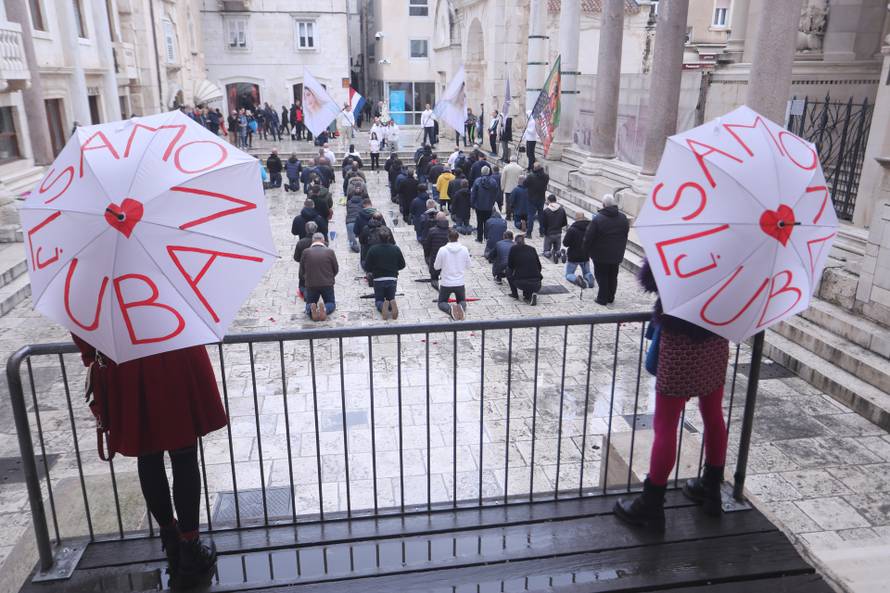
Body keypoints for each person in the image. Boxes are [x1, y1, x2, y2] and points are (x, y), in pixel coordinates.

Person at [72, 335, 223, 589]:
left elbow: (83, 327)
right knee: (184, 455)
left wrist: (92, 354)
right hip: (175, 352)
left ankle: (171, 539)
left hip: (127, 363)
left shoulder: (102, 292)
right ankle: (190, 548)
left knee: (148, 455)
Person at [616, 260, 730, 531]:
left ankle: (652, 504)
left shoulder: (682, 244)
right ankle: (711, 490)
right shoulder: (734, 250)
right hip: (717, 335)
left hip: (680, 342)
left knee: (665, 425)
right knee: (713, 416)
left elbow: (648, 280)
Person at [583, 194, 629, 305]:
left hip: (601, 254)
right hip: (617, 253)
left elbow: (589, 237)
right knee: (613, 275)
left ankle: (602, 298)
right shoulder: (623, 218)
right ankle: (610, 297)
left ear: (603, 205)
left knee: (601, 275)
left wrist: (585, 250)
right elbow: (625, 233)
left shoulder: (598, 219)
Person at [364, 228, 406, 319]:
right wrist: (394, 269)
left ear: (378, 238)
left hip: (378, 279)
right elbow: (402, 265)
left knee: (379, 300)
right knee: (391, 298)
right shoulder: (396, 249)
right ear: (389, 237)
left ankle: (382, 306)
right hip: (392, 279)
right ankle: (391, 305)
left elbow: (367, 267)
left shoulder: (372, 250)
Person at [433, 229, 471, 320]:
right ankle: (460, 308)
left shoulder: (442, 250)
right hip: (459, 282)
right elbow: (469, 265)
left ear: (448, 238)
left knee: (441, 302)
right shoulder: (464, 249)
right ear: (458, 237)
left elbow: (436, 266)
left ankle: (450, 309)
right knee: (462, 300)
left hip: (446, 282)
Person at [300, 233, 339, 321]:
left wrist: (307, 278)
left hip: (311, 284)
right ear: (323, 240)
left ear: (313, 241)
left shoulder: (306, 252)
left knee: (309, 303)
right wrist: (330, 277)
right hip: (327, 283)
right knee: (331, 303)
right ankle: (325, 309)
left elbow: (302, 270)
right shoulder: (330, 252)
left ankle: (311, 308)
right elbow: (336, 269)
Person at [506, 234, 542, 305]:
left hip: (521, 282)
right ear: (524, 241)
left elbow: (510, 265)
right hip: (537, 282)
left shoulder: (513, 249)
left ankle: (514, 294)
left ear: (515, 242)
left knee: (508, 270)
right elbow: (539, 266)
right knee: (527, 273)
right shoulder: (532, 249)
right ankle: (530, 295)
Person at [470, 165, 501, 243]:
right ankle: (487, 237)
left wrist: (472, 203)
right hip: (489, 205)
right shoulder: (493, 181)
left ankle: (479, 238)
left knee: (479, 222)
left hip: (479, 205)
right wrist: (493, 201)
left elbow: (473, 193)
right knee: (488, 222)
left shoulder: (477, 181)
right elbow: (496, 193)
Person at [563, 211, 594, 289]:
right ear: (583, 217)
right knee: (587, 272)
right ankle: (589, 277)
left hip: (574, 256)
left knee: (569, 274)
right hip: (585, 255)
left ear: (575, 218)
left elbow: (565, 243)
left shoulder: (572, 229)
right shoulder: (590, 228)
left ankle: (576, 279)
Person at [293, 221, 320, 299]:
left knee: (303, 285)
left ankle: (307, 295)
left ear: (306, 229)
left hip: (304, 271)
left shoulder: (301, 243)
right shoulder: (321, 243)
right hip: (317, 271)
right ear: (316, 230)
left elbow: (296, 258)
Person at [423, 211, 451, 289]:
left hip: (435, 258)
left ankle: (436, 285)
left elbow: (427, 246)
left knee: (434, 277)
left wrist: (427, 257)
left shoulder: (432, 231)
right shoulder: (450, 231)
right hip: (447, 259)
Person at [540, 194, 568, 262]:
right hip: (558, 233)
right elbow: (564, 222)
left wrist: (544, 232)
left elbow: (543, 224)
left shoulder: (546, 211)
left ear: (548, 201)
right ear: (556, 200)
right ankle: (559, 253)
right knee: (557, 249)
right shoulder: (562, 209)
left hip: (549, 233)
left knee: (546, 251)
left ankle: (550, 254)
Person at [524, 163, 549, 236]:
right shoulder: (546, 176)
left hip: (531, 198)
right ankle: (542, 232)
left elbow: (525, 184)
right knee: (541, 215)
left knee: (531, 215)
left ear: (535, 168)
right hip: (541, 197)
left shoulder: (531, 176)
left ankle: (529, 233)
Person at [501, 156, 522, 221]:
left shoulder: (506, 167)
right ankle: (515, 215)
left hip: (508, 188)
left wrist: (502, 187)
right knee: (516, 202)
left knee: (508, 202)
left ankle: (508, 216)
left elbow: (503, 179)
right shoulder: (520, 168)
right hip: (517, 188)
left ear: (510, 160)